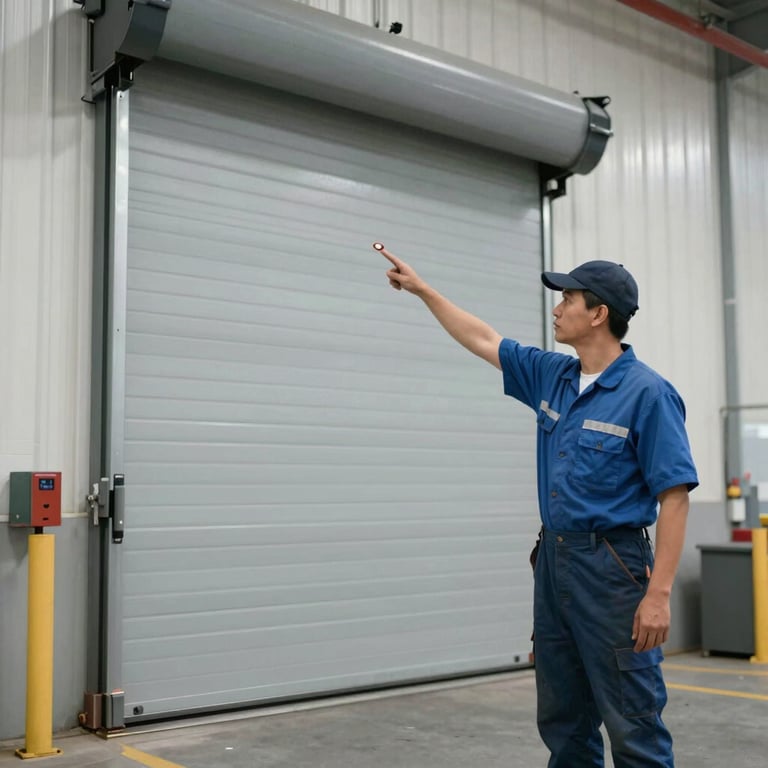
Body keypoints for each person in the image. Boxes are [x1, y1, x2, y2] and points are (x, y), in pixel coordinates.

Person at [375, 243, 698, 768]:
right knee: (564, 721)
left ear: (598, 314)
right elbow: (483, 338)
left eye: (567, 298)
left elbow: (674, 497)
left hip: (613, 569)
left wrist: (658, 593)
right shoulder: (555, 375)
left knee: (632, 720)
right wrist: (423, 290)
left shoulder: (648, 394)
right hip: (555, 562)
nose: (556, 307)